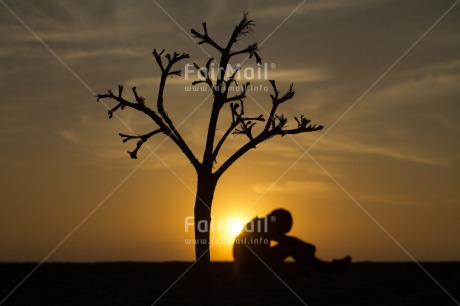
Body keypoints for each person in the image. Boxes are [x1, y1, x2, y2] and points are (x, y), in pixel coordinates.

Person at [233, 208, 351, 274]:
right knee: (288, 248)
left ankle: (323, 266)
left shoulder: (260, 224)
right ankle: (325, 267)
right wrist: (305, 247)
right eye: (282, 229)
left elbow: (286, 239)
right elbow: (286, 241)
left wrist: (304, 246)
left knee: (289, 246)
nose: (281, 233)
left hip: (250, 266)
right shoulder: (260, 226)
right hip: (250, 269)